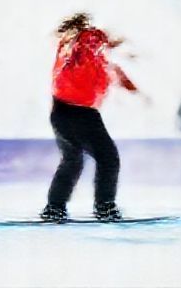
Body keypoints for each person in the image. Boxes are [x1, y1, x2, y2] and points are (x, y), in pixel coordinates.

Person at [40, 13, 140, 222]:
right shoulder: (88, 41)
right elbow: (100, 47)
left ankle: (54, 207)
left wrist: (130, 87)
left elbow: (113, 71)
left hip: (61, 111)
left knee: (72, 161)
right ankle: (105, 207)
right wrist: (114, 42)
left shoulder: (74, 48)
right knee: (108, 158)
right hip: (80, 113)